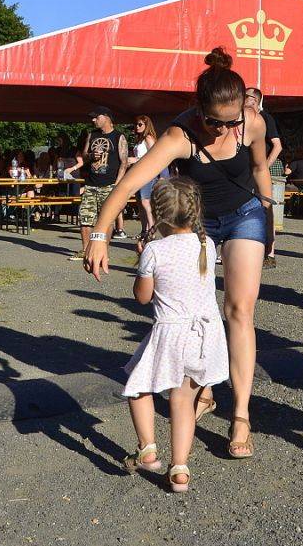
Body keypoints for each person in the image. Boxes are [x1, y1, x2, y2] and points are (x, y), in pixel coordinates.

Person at [84, 46, 272, 460]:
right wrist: (99, 235)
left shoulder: (252, 125)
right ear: (197, 110)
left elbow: (260, 168)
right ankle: (203, 389)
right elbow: (129, 182)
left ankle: (240, 415)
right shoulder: (178, 135)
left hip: (245, 215)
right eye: (214, 122)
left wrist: (268, 208)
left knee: (239, 309)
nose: (223, 131)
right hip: (199, 224)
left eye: (232, 122)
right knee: (193, 311)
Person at [121, 177, 228, 492]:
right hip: (207, 332)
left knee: (138, 387)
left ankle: (148, 448)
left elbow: (142, 296)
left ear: (158, 215)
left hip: (171, 333)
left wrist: (142, 260)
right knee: (183, 401)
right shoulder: (206, 243)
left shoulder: (154, 250)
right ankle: (180, 469)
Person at [68, 106, 129, 261]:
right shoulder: (92, 135)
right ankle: (85, 251)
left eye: (96, 117)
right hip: (91, 184)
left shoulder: (118, 136)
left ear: (106, 117)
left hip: (109, 185)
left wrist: (117, 184)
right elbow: (84, 156)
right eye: (92, 117)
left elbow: (124, 162)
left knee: (106, 219)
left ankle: (103, 251)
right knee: (85, 218)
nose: (93, 120)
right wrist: (90, 155)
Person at [245, 87, 281, 269]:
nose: (244, 99)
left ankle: (270, 253)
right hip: (244, 173)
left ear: (256, 100)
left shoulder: (265, 118)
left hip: (259, 172)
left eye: (248, 97)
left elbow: (277, 145)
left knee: (266, 209)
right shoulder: (241, 118)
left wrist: (265, 166)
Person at [129, 115, 163, 238]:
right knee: (140, 203)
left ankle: (152, 231)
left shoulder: (149, 138)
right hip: (138, 173)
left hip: (147, 174)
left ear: (146, 125)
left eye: (140, 125)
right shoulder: (139, 139)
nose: (137, 127)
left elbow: (155, 156)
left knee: (145, 201)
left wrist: (135, 159)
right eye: (136, 125)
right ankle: (144, 230)